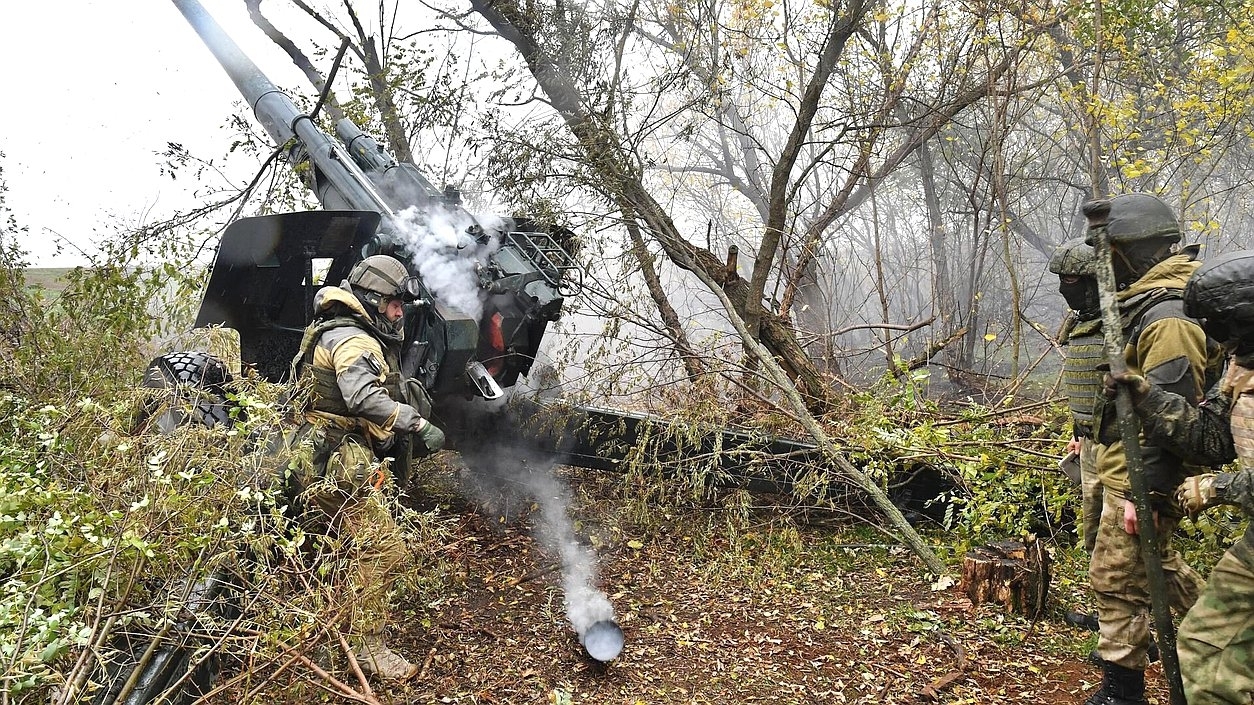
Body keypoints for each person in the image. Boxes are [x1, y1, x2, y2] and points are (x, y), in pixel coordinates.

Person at [1081, 193, 1224, 705]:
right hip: (1128, 464)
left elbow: (1176, 416)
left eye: (1109, 254)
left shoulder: (1167, 315)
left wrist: (1152, 492)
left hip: (1143, 472)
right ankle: (1227, 623)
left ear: (1129, 252)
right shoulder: (1145, 303)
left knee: (1118, 579)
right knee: (1153, 566)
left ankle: (1123, 693)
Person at [288, 254, 446, 681]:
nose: (400, 312)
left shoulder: (337, 329)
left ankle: (326, 641)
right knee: (382, 547)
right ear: (374, 300)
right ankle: (368, 647)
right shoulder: (354, 341)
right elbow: (361, 398)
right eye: (395, 303)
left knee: (339, 549)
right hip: (332, 457)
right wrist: (417, 422)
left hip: (318, 452)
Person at [1107, 249, 1253, 704]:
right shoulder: (1240, 366)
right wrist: (1146, 395)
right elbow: (1210, 436)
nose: (1217, 338)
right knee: (1203, 648)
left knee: (1209, 658)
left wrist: (1216, 487)